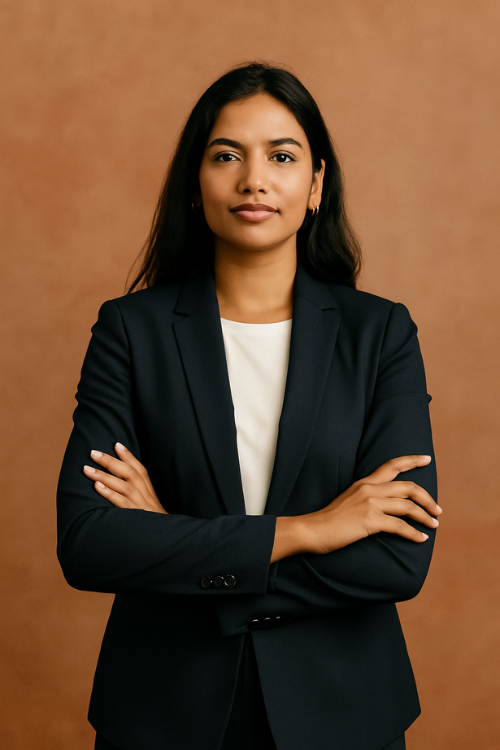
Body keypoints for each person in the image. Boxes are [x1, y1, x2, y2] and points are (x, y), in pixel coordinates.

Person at [57, 62, 441, 750]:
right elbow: (89, 544)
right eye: (226, 156)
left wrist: (175, 542)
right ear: (194, 184)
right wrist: (309, 530)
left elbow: (396, 561)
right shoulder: (131, 330)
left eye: (282, 156)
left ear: (316, 184)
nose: (254, 180)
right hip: (162, 712)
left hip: (344, 712)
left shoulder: (379, 334)